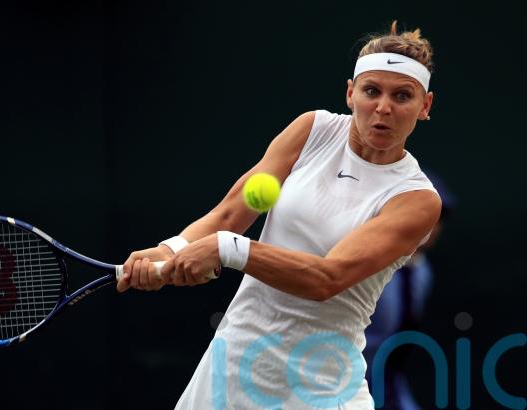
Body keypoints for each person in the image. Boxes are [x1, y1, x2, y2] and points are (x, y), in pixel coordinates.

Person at [117, 21, 441, 409]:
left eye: (402, 96)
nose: (383, 107)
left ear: (424, 106)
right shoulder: (312, 129)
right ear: (350, 93)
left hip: (321, 391)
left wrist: (226, 249)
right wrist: (171, 249)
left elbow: (327, 278)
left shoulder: (416, 199)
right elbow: (230, 213)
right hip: (229, 368)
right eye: (371, 91)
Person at [363, 171, 455, 410]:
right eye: (423, 213)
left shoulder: (423, 273)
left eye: (439, 217)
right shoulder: (364, 263)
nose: (431, 225)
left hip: (387, 385)